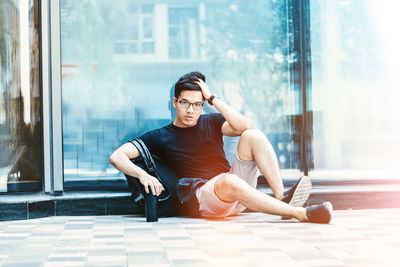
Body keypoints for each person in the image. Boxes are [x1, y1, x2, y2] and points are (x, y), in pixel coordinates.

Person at [109, 72, 333, 223]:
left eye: (197, 104)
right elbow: (117, 156)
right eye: (185, 103)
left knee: (252, 135)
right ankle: (301, 213)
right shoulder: (160, 135)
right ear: (175, 102)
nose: (190, 110)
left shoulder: (212, 121)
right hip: (206, 197)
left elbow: (244, 126)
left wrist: (212, 98)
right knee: (227, 180)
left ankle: (280, 197)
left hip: (234, 188)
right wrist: (143, 175)